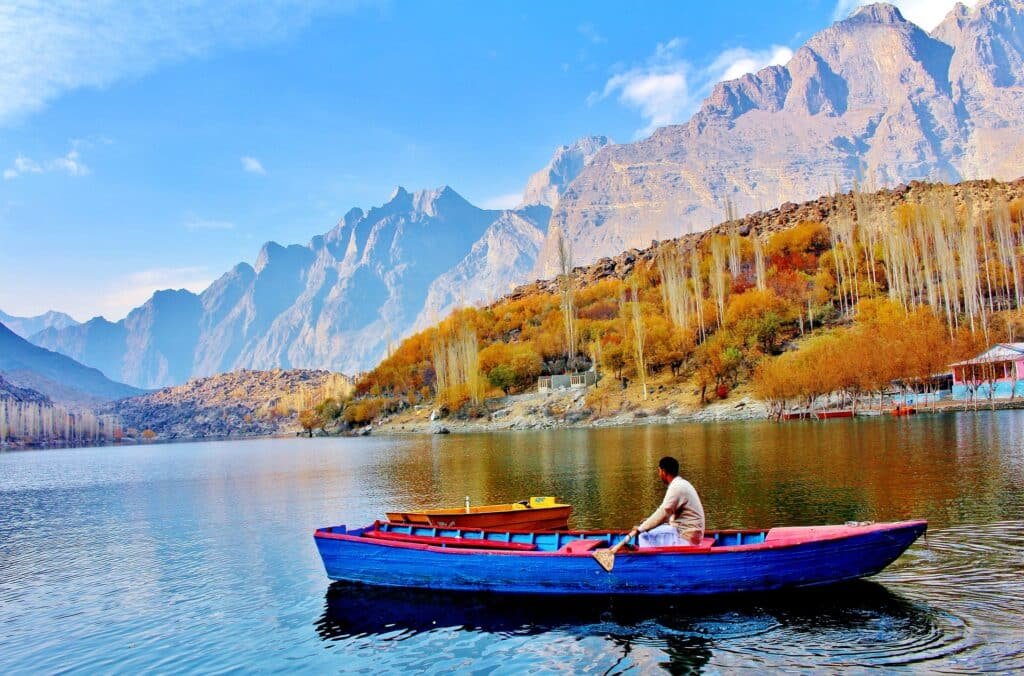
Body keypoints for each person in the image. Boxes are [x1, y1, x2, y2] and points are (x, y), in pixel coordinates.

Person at [635, 456, 705, 548]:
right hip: (693, 535)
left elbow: (663, 513)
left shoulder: (676, 487)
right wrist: (648, 522)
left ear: (663, 472)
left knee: (643, 535)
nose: (659, 474)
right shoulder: (682, 483)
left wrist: (640, 529)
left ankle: (649, 557)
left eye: (659, 471)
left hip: (685, 537)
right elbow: (668, 515)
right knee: (650, 527)